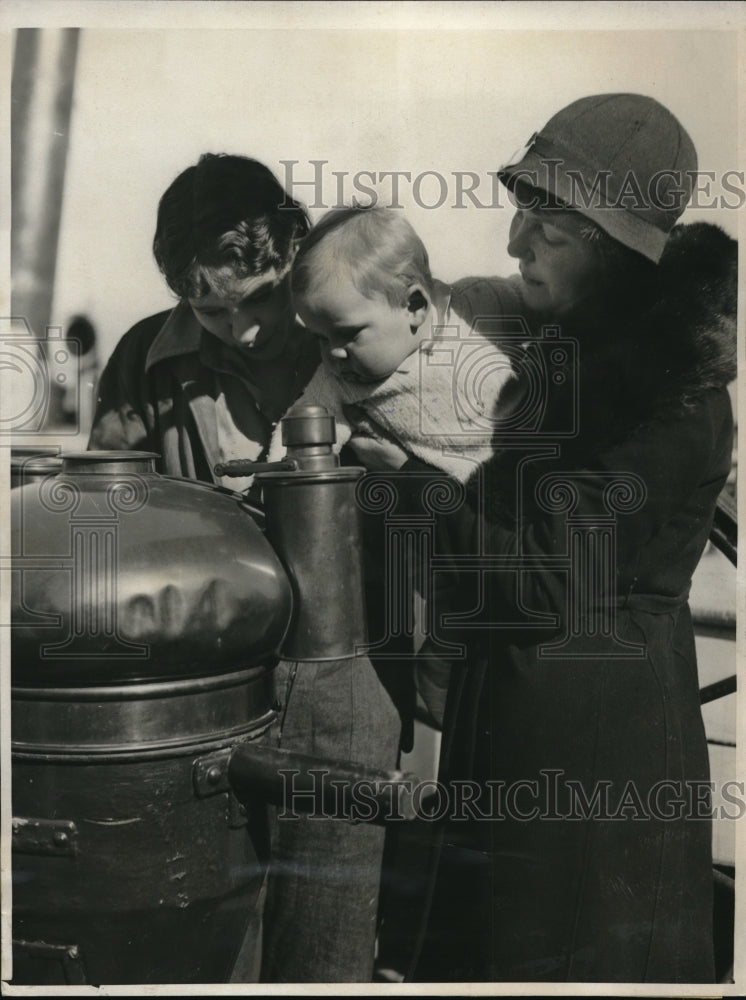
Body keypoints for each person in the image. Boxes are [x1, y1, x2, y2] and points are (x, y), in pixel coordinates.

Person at [348, 93, 737, 983]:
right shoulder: (573, 362)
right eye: (520, 214)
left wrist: (411, 487)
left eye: (547, 228)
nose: (516, 243)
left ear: (612, 249)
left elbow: (542, 583)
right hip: (525, 730)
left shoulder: (668, 399)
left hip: (598, 764)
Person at [88, 153, 320, 492]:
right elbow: (104, 503)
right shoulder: (140, 358)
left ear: (295, 250)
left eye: (259, 298)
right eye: (211, 312)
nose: (244, 334)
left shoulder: (348, 340)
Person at [270, 206, 524, 484]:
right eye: (320, 337)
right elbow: (297, 435)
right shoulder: (339, 383)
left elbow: (539, 301)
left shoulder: (477, 305)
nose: (332, 352)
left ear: (414, 306)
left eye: (349, 333)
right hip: (458, 503)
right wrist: (271, 487)